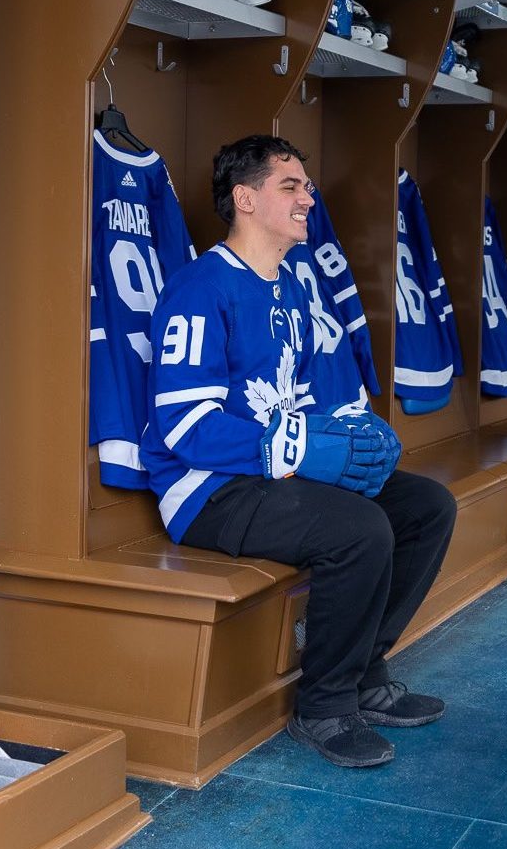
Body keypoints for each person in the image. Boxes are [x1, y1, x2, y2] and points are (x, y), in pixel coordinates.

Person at [141, 135, 457, 769]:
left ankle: (364, 668)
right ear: (245, 199)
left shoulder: (290, 286)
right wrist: (296, 447)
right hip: (208, 490)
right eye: (291, 186)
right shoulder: (201, 288)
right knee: (360, 529)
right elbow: (184, 425)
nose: (308, 198)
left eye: (306, 186)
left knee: (426, 505)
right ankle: (325, 707)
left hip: (275, 470)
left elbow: (312, 392)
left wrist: (355, 428)